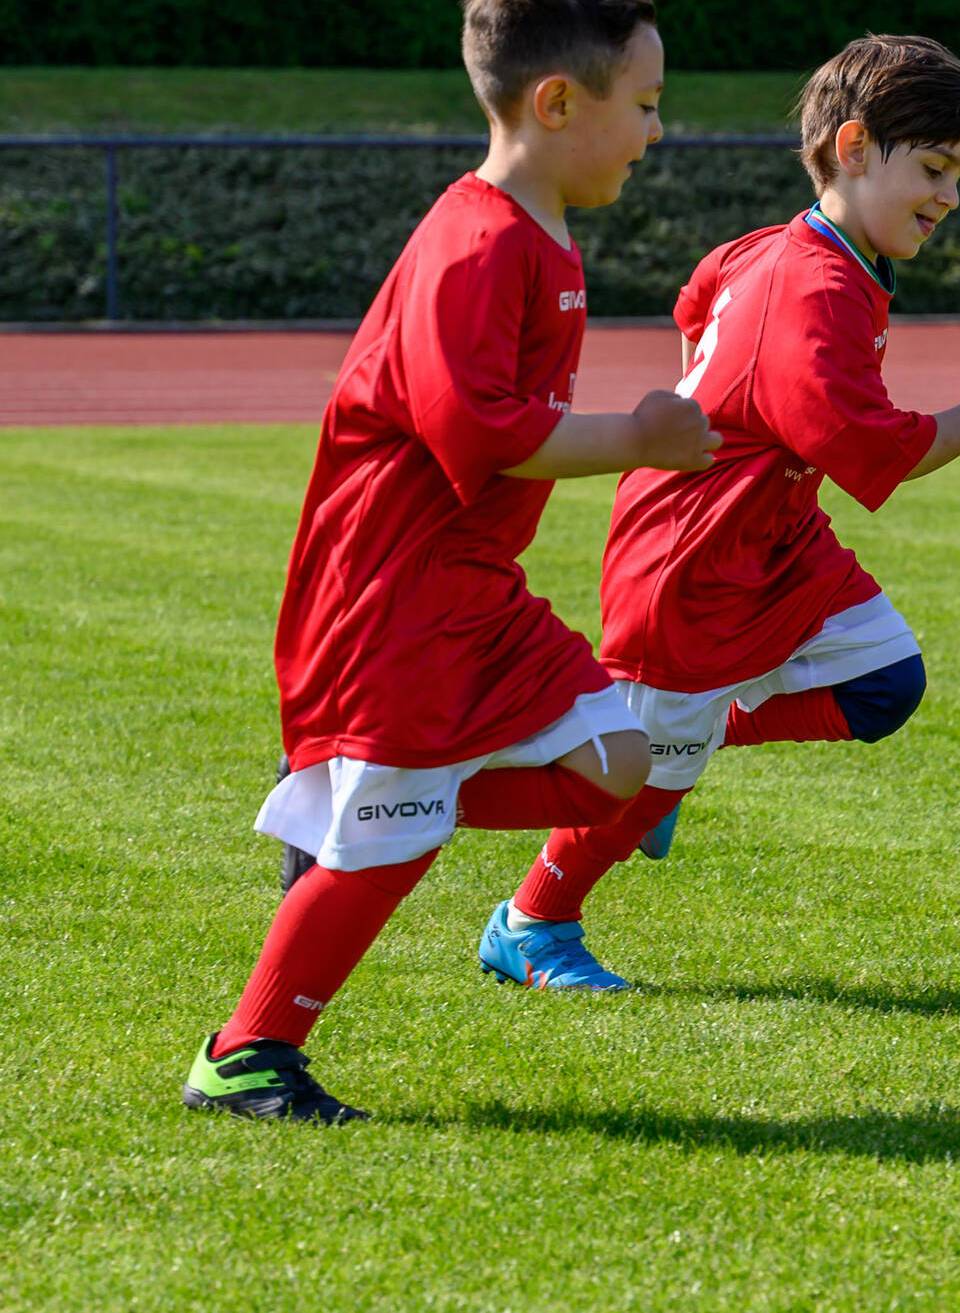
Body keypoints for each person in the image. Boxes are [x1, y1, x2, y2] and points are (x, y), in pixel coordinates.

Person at [182, 0, 720, 1123]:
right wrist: (639, 436)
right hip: (397, 589)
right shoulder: (478, 241)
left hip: (471, 585)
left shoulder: (536, 229)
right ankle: (245, 1054)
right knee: (396, 830)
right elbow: (476, 431)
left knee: (621, 758)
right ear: (557, 102)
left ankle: (362, 807)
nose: (657, 132)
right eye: (648, 105)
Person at [478, 33, 960, 989]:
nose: (951, 196)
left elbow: (695, 301)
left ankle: (685, 740)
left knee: (884, 680)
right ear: (855, 148)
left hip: (771, 533)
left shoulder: (792, 252)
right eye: (937, 170)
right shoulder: (815, 287)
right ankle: (532, 922)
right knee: (638, 778)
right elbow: (872, 449)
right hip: (691, 557)